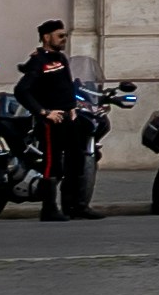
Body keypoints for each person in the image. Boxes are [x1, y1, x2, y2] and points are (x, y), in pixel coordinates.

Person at [11, 21, 96, 220]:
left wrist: (73, 106)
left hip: (69, 118)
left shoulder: (61, 58)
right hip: (52, 122)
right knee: (52, 164)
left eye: (65, 36)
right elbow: (22, 90)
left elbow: (66, 85)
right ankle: (49, 209)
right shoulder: (38, 61)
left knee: (76, 162)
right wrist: (43, 112)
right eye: (60, 36)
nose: (64, 39)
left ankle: (76, 207)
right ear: (47, 37)